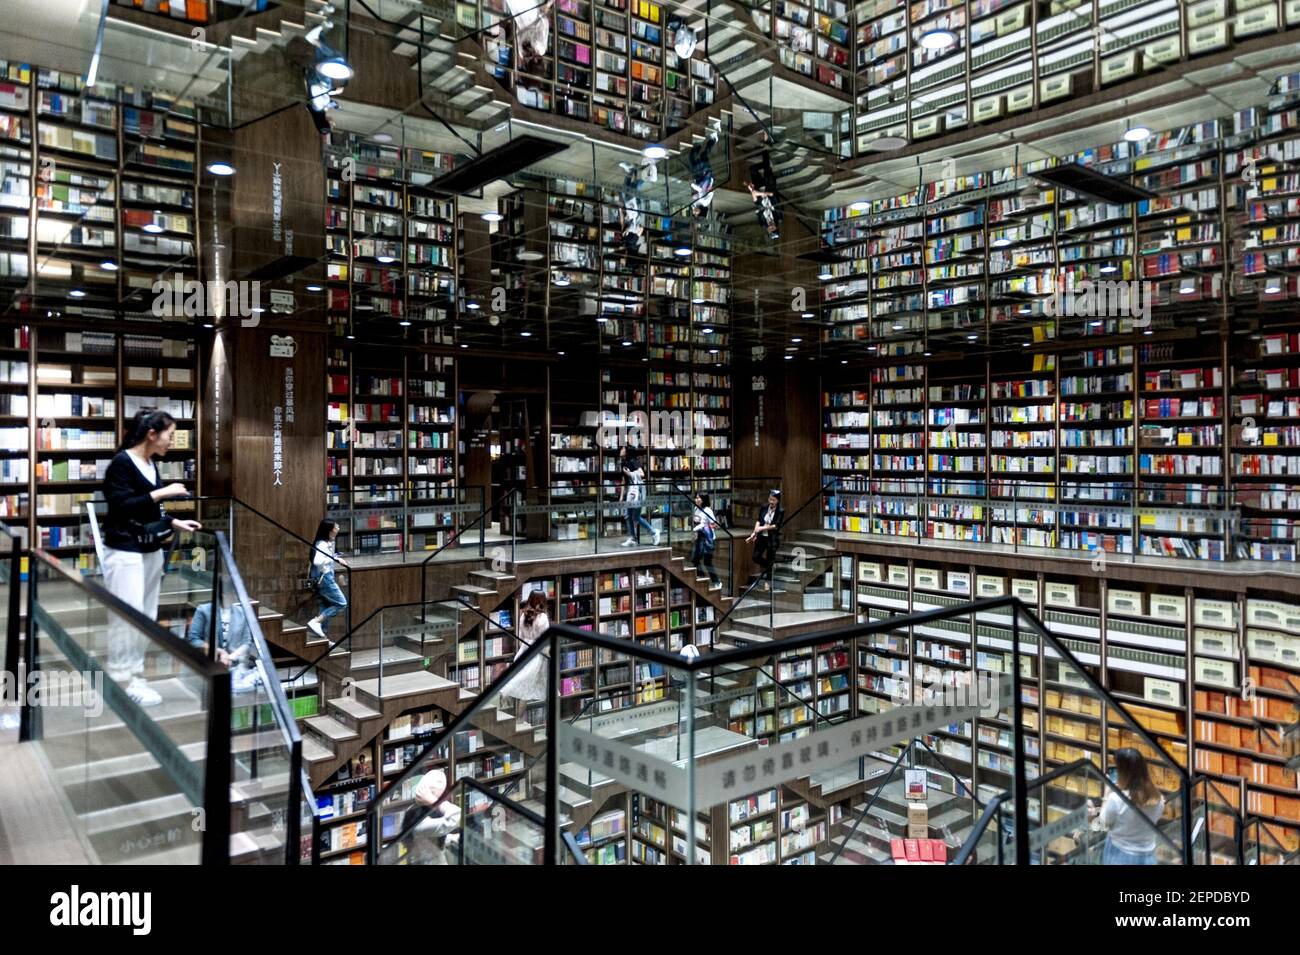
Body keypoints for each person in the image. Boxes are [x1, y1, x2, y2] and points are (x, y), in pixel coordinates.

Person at [102, 409, 202, 707]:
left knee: (144, 617)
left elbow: (148, 511)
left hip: (149, 550)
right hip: (124, 552)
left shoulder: (148, 464)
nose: (172, 441)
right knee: (126, 617)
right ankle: (121, 679)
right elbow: (121, 507)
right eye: (170, 435)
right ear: (152, 435)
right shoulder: (122, 463)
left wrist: (173, 522)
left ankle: (134, 675)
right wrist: (163, 492)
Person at [1088, 747, 1165, 865]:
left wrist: (1107, 794)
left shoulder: (1116, 799)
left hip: (1120, 856)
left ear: (1123, 773)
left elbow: (1102, 824)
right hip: (1148, 856)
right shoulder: (1158, 798)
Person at [186, 600, 261, 692]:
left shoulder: (241, 612)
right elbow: (193, 640)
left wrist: (230, 657)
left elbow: (247, 642)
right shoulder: (204, 610)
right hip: (208, 665)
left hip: (234, 668)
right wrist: (219, 651)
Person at [499, 590, 551, 714]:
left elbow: (521, 636)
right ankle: (520, 719)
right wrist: (548, 654)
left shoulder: (523, 615)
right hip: (537, 653)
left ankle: (505, 696)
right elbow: (545, 639)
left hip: (524, 650)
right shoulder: (542, 617)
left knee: (519, 678)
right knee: (526, 687)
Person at [307, 520, 349, 638]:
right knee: (341, 603)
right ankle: (316, 622)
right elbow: (317, 561)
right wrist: (334, 559)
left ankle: (321, 634)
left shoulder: (325, 543)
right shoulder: (323, 544)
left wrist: (334, 557)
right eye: (336, 527)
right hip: (325, 578)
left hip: (323, 578)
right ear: (329, 530)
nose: (338, 528)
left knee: (324, 605)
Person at [746, 489, 784, 590]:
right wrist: (754, 532)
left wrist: (762, 528)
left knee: (770, 558)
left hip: (772, 538)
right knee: (756, 557)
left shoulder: (780, 511)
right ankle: (769, 566)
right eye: (770, 499)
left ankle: (768, 582)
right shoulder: (764, 507)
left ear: (778, 501)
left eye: (774, 500)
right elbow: (759, 520)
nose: (771, 502)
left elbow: (776, 525)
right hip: (762, 537)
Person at [621, 448, 659, 547]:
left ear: (627, 452)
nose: (621, 450)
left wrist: (630, 474)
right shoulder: (624, 463)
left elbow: (642, 474)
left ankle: (654, 532)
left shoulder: (633, 461)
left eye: (623, 448)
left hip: (637, 492)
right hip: (630, 493)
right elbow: (624, 481)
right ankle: (633, 538)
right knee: (628, 516)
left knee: (635, 516)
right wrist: (621, 497)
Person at [687, 117, 722, 219]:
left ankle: (699, 142)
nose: (694, 212)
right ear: (700, 212)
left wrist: (693, 190)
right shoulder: (705, 202)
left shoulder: (695, 204)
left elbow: (695, 194)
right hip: (706, 177)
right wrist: (694, 186)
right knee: (703, 156)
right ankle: (714, 139)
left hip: (698, 178)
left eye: (694, 213)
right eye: (695, 214)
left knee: (692, 158)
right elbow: (703, 191)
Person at [747, 151, 783, 240]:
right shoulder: (779, 216)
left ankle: (768, 165)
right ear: (776, 227)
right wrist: (761, 194)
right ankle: (765, 146)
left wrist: (752, 191)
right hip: (769, 188)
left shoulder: (762, 222)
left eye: (770, 230)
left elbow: (757, 204)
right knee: (766, 167)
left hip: (759, 191)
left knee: (752, 169)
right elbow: (773, 195)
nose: (770, 227)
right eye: (773, 229)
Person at [691, 491, 720, 589]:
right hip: (699, 537)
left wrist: (705, 526)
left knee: (707, 561)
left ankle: (716, 582)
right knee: (695, 559)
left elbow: (715, 524)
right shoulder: (695, 509)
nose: (697, 499)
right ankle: (702, 578)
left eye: (699, 498)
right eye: (696, 497)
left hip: (708, 538)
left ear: (704, 500)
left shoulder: (707, 510)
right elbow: (695, 522)